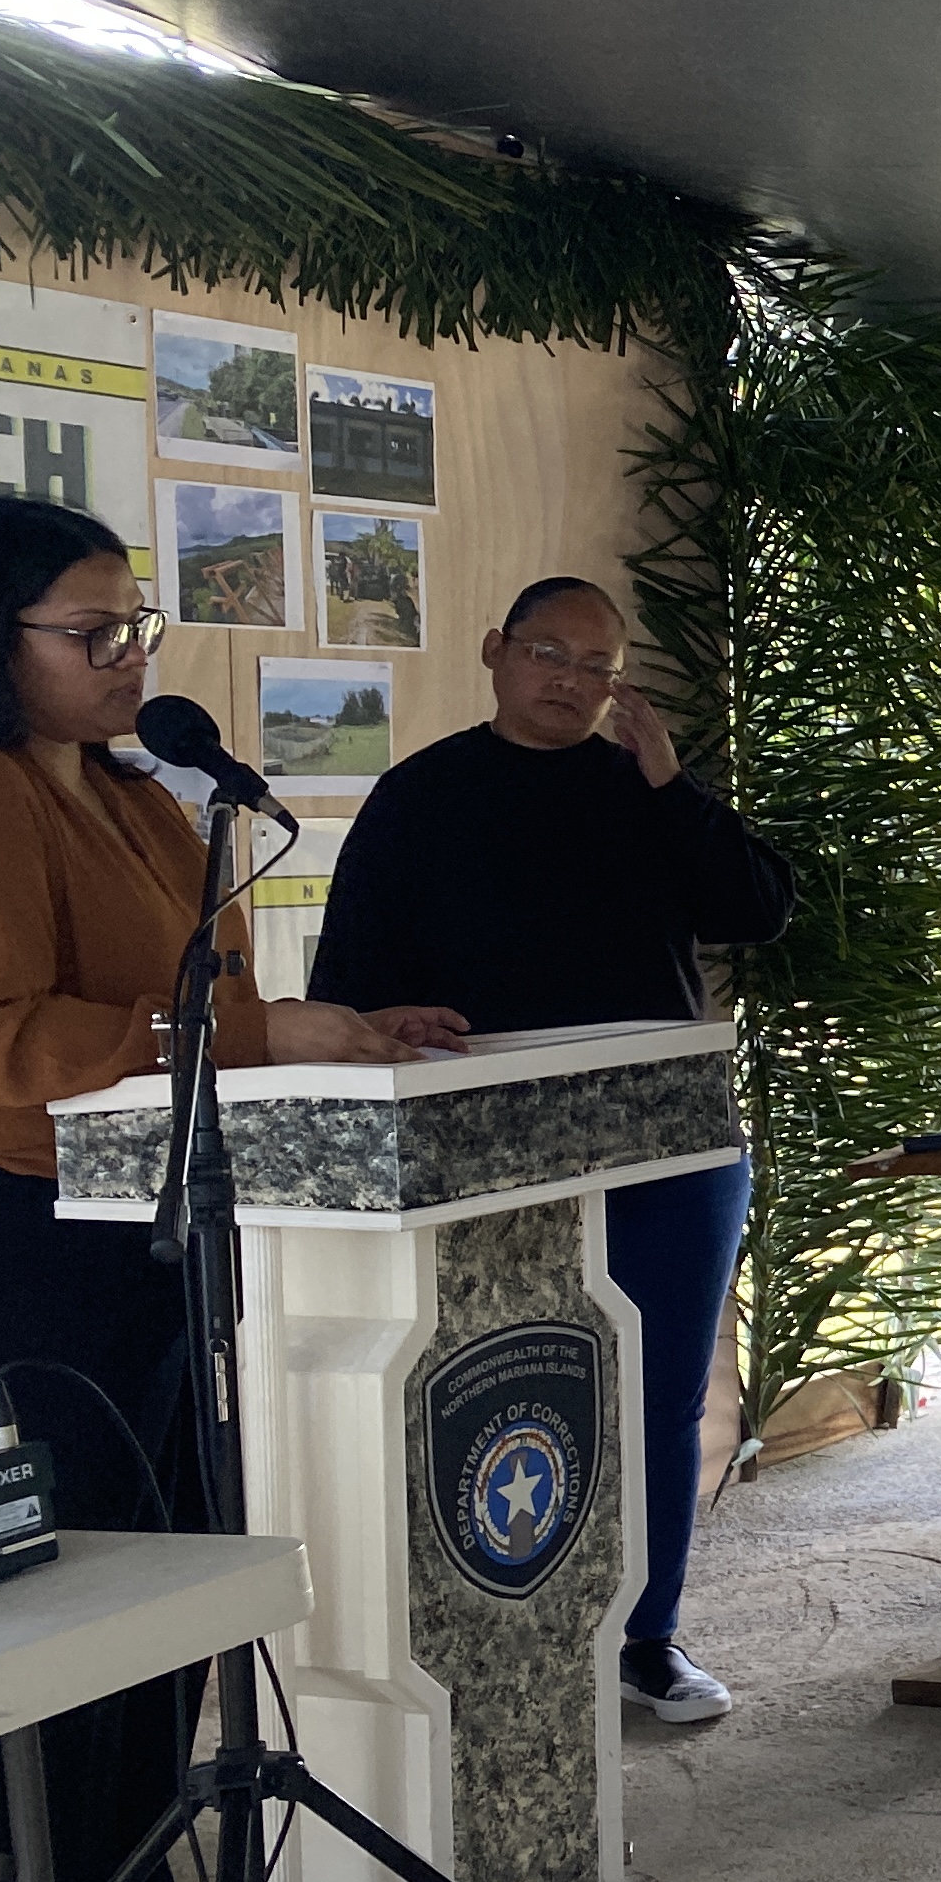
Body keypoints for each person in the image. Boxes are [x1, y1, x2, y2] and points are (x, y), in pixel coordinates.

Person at [0, 499, 458, 1882]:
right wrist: (261, 1038)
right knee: (85, 1592)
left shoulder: (137, 792)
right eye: (90, 632)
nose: (130, 657)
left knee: (172, 1569)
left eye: (138, 626)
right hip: (35, 1249)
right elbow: (16, 1050)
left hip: (167, 1235)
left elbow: (201, 992)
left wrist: (339, 1034)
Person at [312, 573, 793, 1726]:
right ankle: (502, 1640)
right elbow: (352, 981)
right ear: (495, 651)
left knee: (662, 1393)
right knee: (501, 1395)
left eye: (598, 667)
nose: (573, 682)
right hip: (490, 1140)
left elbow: (757, 908)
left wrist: (676, 789)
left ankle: (648, 1639)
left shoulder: (647, 791)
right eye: (549, 655)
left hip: (668, 1141)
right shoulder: (420, 795)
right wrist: (383, 1028)